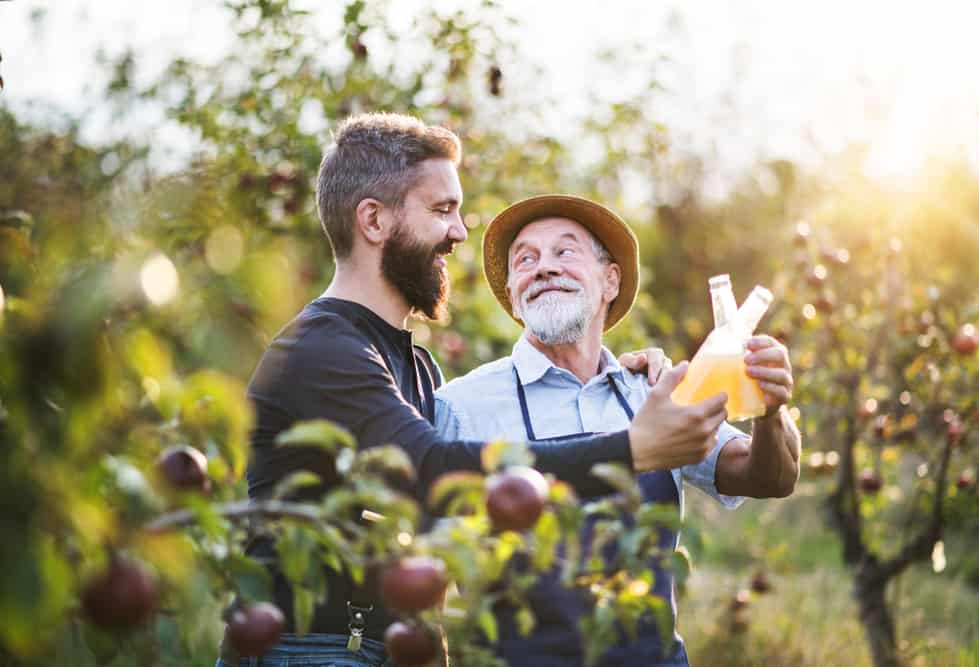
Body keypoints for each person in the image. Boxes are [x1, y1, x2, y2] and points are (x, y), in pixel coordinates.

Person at [217, 114, 739, 667]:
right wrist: (633, 449)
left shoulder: (415, 367)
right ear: (373, 219)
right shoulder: (322, 347)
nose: (460, 232)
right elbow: (429, 467)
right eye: (442, 210)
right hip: (308, 651)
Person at [434, 194, 801, 667]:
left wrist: (770, 410)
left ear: (610, 280)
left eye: (564, 252)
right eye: (525, 259)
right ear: (513, 296)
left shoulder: (652, 391)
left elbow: (769, 477)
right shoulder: (461, 408)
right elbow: (428, 579)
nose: (543, 267)